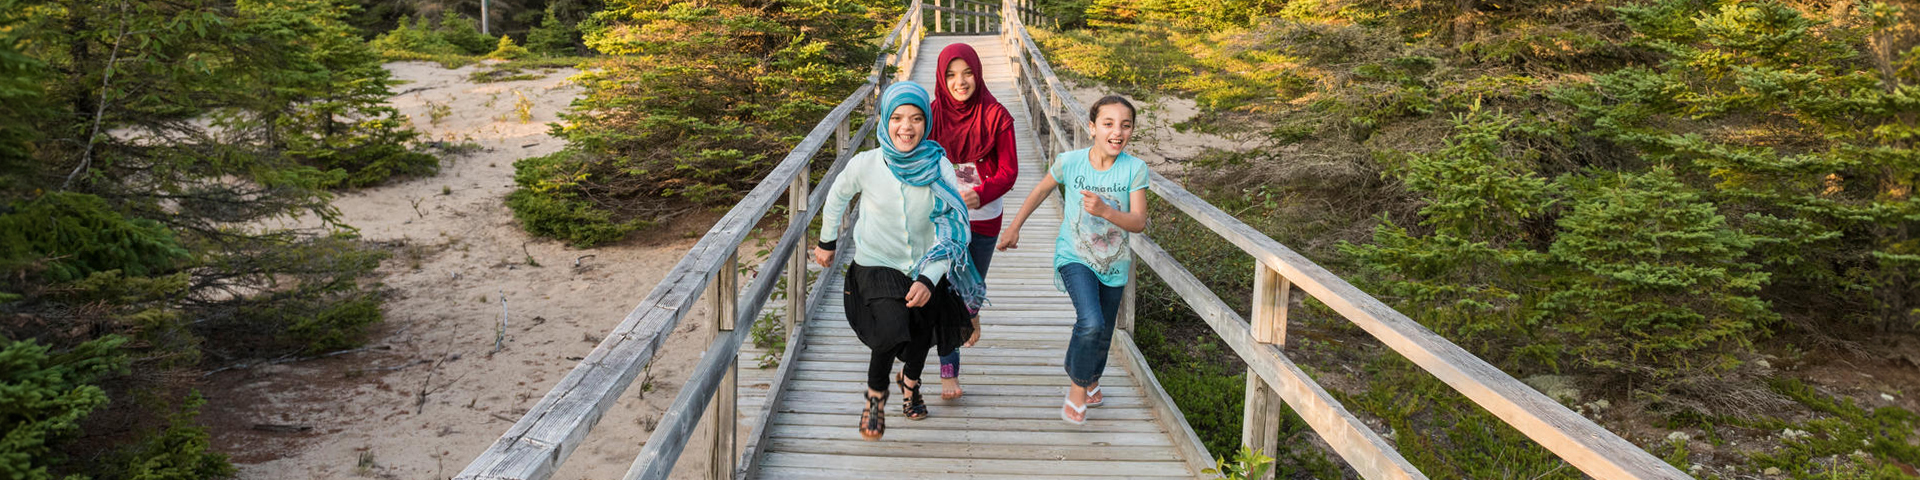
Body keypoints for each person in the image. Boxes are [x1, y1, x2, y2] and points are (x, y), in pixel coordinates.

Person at [813, 82, 989, 440]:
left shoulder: (938, 165)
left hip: (926, 264)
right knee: (892, 329)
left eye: (916, 118)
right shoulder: (867, 164)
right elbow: (836, 196)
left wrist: (930, 276)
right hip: (876, 263)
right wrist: (826, 241)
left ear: (927, 122)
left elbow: (954, 227)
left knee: (921, 331)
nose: (906, 127)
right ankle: (875, 400)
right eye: (896, 118)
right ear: (884, 120)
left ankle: (910, 383)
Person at [995, 95, 1146, 425]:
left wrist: (1107, 211)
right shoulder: (1071, 162)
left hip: (1115, 263)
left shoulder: (1135, 169)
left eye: (1125, 125)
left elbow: (1138, 221)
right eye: (1108, 124)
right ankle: (1078, 388)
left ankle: (1089, 378)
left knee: (1103, 333)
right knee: (1090, 321)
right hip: (1074, 255)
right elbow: (1040, 190)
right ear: (1092, 128)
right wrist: (1015, 227)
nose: (1117, 132)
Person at [928, 42, 1019, 400]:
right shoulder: (930, 114)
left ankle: (972, 310)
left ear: (978, 74)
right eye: (951, 74)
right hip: (943, 218)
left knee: (970, 288)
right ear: (941, 77)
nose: (960, 81)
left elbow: (1010, 171)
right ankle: (948, 369)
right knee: (946, 288)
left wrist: (981, 193)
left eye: (967, 73)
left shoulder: (996, 116)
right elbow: (911, 152)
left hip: (984, 217)